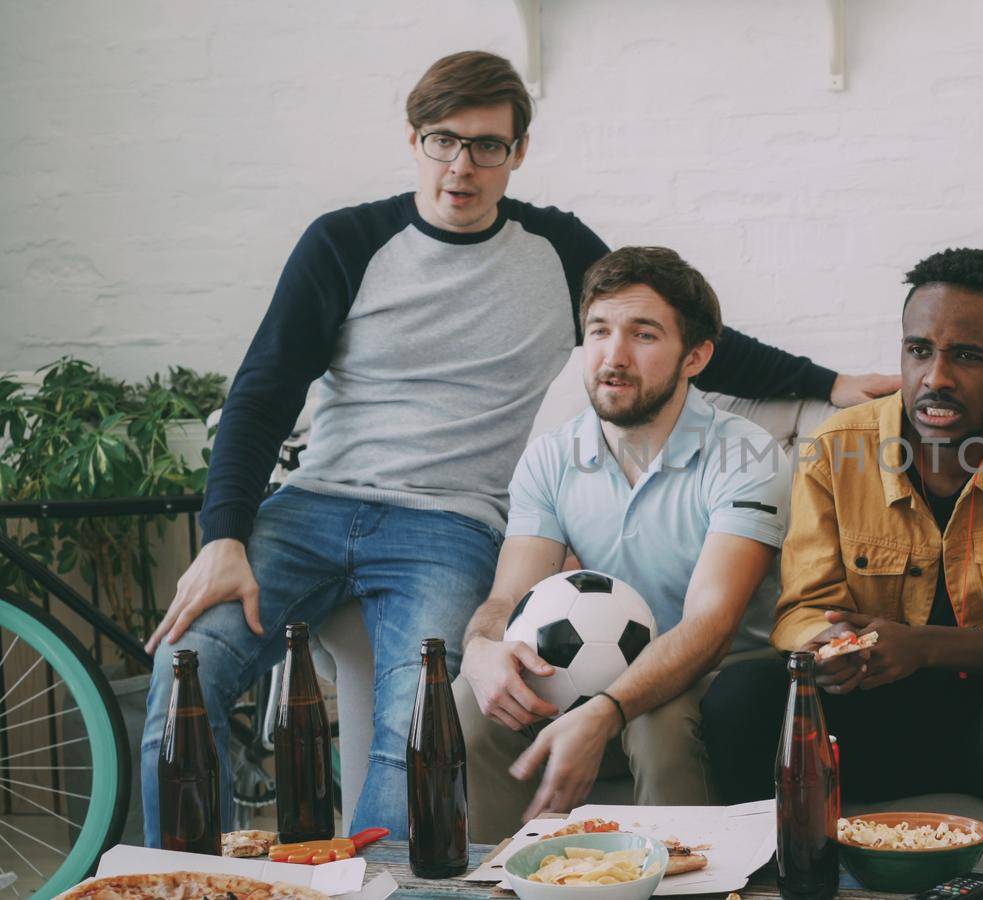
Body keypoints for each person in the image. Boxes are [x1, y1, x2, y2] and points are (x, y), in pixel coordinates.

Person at [138, 50, 894, 841]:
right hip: (312, 507)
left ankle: (383, 892)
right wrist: (224, 534)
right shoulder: (344, 241)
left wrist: (829, 379)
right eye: (443, 140)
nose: (462, 166)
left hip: (447, 524)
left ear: (517, 153)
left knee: (424, 725)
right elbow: (263, 389)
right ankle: (188, 882)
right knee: (183, 673)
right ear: (413, 141)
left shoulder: (556, 251)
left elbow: (671, 324)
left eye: (487, 145)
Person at [701, 247, 983, 899]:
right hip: (881, 710)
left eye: (967, 356)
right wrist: (832, 647)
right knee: (742, 699)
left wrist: (919, 646)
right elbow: (802, 609)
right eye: (919, 350)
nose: (936, 377)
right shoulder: (841, 447)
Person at [455, 246, 791, 836]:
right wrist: (481, 647)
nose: (613, 356)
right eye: (599, 331)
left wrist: (608, 712)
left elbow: (710, 628)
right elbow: (509, 598)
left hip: (721, 677)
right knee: (470, 700)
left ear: (696, 356)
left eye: (643, 335)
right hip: (589, 670)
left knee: (655, 722)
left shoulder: (747, 455)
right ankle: (506, 876)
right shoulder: (552, 456)